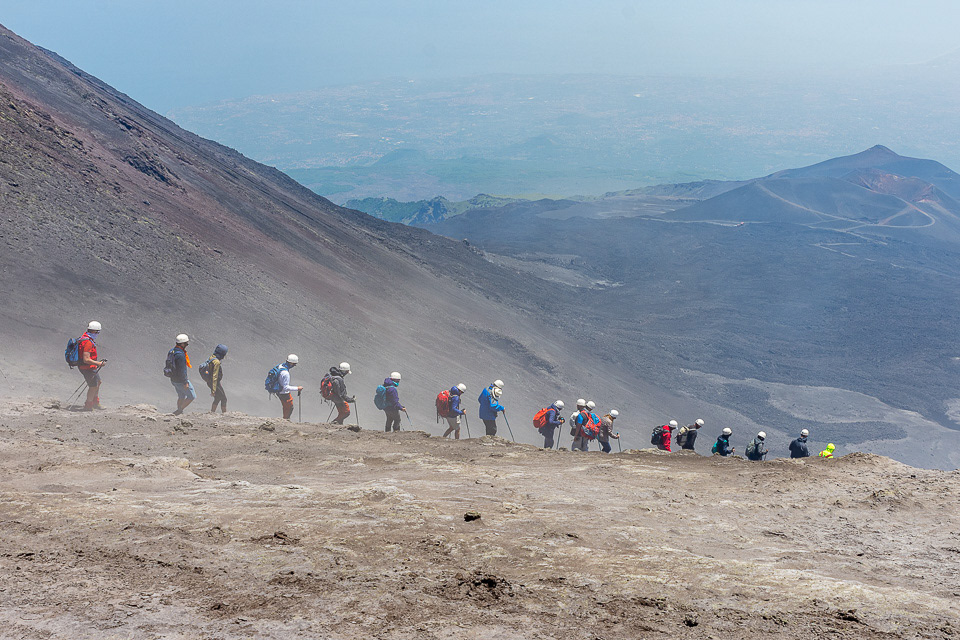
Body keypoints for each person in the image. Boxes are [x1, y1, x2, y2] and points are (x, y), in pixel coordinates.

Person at [77, 321, 105, 411]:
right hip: (87, 367)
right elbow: (86, 359)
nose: (97, 334)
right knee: (93, 386)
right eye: (97, 332)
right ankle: (88, 405)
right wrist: (99, 364)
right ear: (95, 331)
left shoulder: (84, 338)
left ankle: (95, 402)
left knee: (98, 382)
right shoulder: (88, 342)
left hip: (89, 367)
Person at [167, 334, 196, 416]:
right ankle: (179, 410)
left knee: (181, 396)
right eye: (186, 343)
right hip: (181, 380)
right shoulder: (180, 355)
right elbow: (182, 370)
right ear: (182, 344)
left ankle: (179, 411)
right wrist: (185, 382)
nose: (187, 345)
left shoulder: (172, 351)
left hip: (173, 379)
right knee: (192, 396)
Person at [277, 354, 302, 420]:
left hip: (278, 391)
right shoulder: (285, 373)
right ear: (291, 363)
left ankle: (285, 418)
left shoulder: (280, 366)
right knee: (289, 407)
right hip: (284, 393)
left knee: (285, 406)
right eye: (294, 364)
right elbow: (286, 387)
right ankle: (286, 420)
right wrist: (297, 388)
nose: (294, 366)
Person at [206, 344, 228, 414]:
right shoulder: (217, 362)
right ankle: (224, 414)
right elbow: (214, 376)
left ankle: (212, 412)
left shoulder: (212, 357)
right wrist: (213, 389)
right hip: (215, 383)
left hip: (210, 382)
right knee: (224, 399)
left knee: (218, 397)